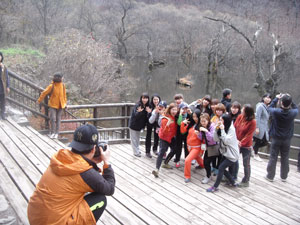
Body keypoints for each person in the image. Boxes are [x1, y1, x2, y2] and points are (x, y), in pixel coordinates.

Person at [27, 124, 115, 225]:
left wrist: (91, 162)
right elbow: (109, 188)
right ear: (93, 149)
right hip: (55, 222)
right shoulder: (85, 172)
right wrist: (107, 163)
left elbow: (81, 174)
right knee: (100, 199)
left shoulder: (60, 157)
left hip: (35, 216)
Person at [265, 93, 299, 182]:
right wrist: (290, 99)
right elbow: (296, 108)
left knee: (273, 156)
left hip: (276, 138)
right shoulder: (293, 113)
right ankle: (284, 176)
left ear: (281, 103)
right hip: (287, 139)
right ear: (290, 103)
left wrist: (276, 99)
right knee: (285, 157)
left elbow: (269, 108)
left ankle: (270, 176)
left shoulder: (276, 112)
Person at [207, 114, 239, 192]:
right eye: (220, 120)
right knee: (221, 168)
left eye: (222, 120)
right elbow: (216, 139)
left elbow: (226, 141)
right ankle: (233, 182)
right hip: (225, 153)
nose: (220, 121)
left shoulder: (231, 129)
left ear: (226, 121)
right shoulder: (222, 128)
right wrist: (215, 129)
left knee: (221, 168)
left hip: (232, 155)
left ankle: (215, 187)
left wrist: (222, 129)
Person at [37, 73, 67, 139]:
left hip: (61, 105)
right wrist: (39, 100)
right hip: (53, 105)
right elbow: (44, 92)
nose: (63, 79)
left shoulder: (63, 85)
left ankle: (56, 133)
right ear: (59, 78)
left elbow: (64, 95)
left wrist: (65, 104)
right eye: (62, 77)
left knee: (58, 119)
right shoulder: (52, 86)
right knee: (53, 119)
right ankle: (53, 132)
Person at [152, 103, 178, 177]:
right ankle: (157, 169)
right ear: (169, 110)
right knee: (161, 152)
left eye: (176, 110)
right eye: (173, 110)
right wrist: (167, 125)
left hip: (171, 137)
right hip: (164, 137)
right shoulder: (165, 118)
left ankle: (165, 163)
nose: (174, 111)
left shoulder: (175, 117)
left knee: (175, 150)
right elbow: (164, 131)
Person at [234, 104, 256, 187]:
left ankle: (246, 180)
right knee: (233, 159)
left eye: (243, 110)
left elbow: (249, 135)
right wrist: (235, 140)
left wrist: (241, 143)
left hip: (246, 145)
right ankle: (233, 175)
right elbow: (234, 127)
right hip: (236, 142)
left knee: (246, 163)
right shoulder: (240, 117)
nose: (242, 111)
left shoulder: (252, 122)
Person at [181, 109, 203, 183]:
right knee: (198, 158)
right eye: (193, 117)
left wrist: (202, 150)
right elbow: (183, 131)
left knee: (187, 160)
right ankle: (204, 166)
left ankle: (187, 176)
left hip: (196, 148)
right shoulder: (191, 124)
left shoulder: (202, 126)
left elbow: (203, 140)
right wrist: (182, 123)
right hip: (189, 146)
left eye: (196, 117)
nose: (195, 118)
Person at [129, 93, 151, 157]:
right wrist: (139, 112)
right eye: (143, 98)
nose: (145, 100)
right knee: (134, 139)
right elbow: (135, 116)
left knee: (137, 139)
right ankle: (135, 152)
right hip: (133, 125)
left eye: (146, 98)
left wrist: (149, 113)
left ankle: (137, 150)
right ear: (141, 98)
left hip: (140, 126)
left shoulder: (147, 106)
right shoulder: (138, 105)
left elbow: (147, 117)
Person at [198, 113, 217, 184]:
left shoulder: (212, 127)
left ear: (208, 121)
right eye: (201, 121)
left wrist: (206, 131)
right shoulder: (202, 126)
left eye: (204, 121)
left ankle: (208, 176)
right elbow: (200, 138)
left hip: (214, 146)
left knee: (207, 162)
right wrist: (199, 132)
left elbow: (212, 139)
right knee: (206, 162)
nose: (203, 123)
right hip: (208, 146)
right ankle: (208, 175)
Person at [253, 93, 272, 162]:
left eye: (269, 98)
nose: (268, 99)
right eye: (266, 97)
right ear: (263, 98)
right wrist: (257, 127)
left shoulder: (267, 107)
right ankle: (255, 154)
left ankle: (253, 150)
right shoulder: (260, 106)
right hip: (260, 126)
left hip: (264, 127)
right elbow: (257, 116)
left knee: (265, 141)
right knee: (259, 140)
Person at [174, 102, 191, 168]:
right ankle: (177, 160)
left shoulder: (188, 115)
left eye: (186, 109)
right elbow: (178, 123)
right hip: (179, 133)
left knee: (187, 148)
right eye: (183, 109)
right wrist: (180, 114)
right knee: (178, 147)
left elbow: (193, 121)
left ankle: (187, 160)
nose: (184, 110)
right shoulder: (177, 115)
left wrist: (190, 113)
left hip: (186, 133)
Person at [0, 52, 10, 120]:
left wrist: (8, 86)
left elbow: (7, 77)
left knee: (3, 101)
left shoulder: (4, 66)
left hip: (2, 86)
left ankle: (3, 114)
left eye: (0, 56)